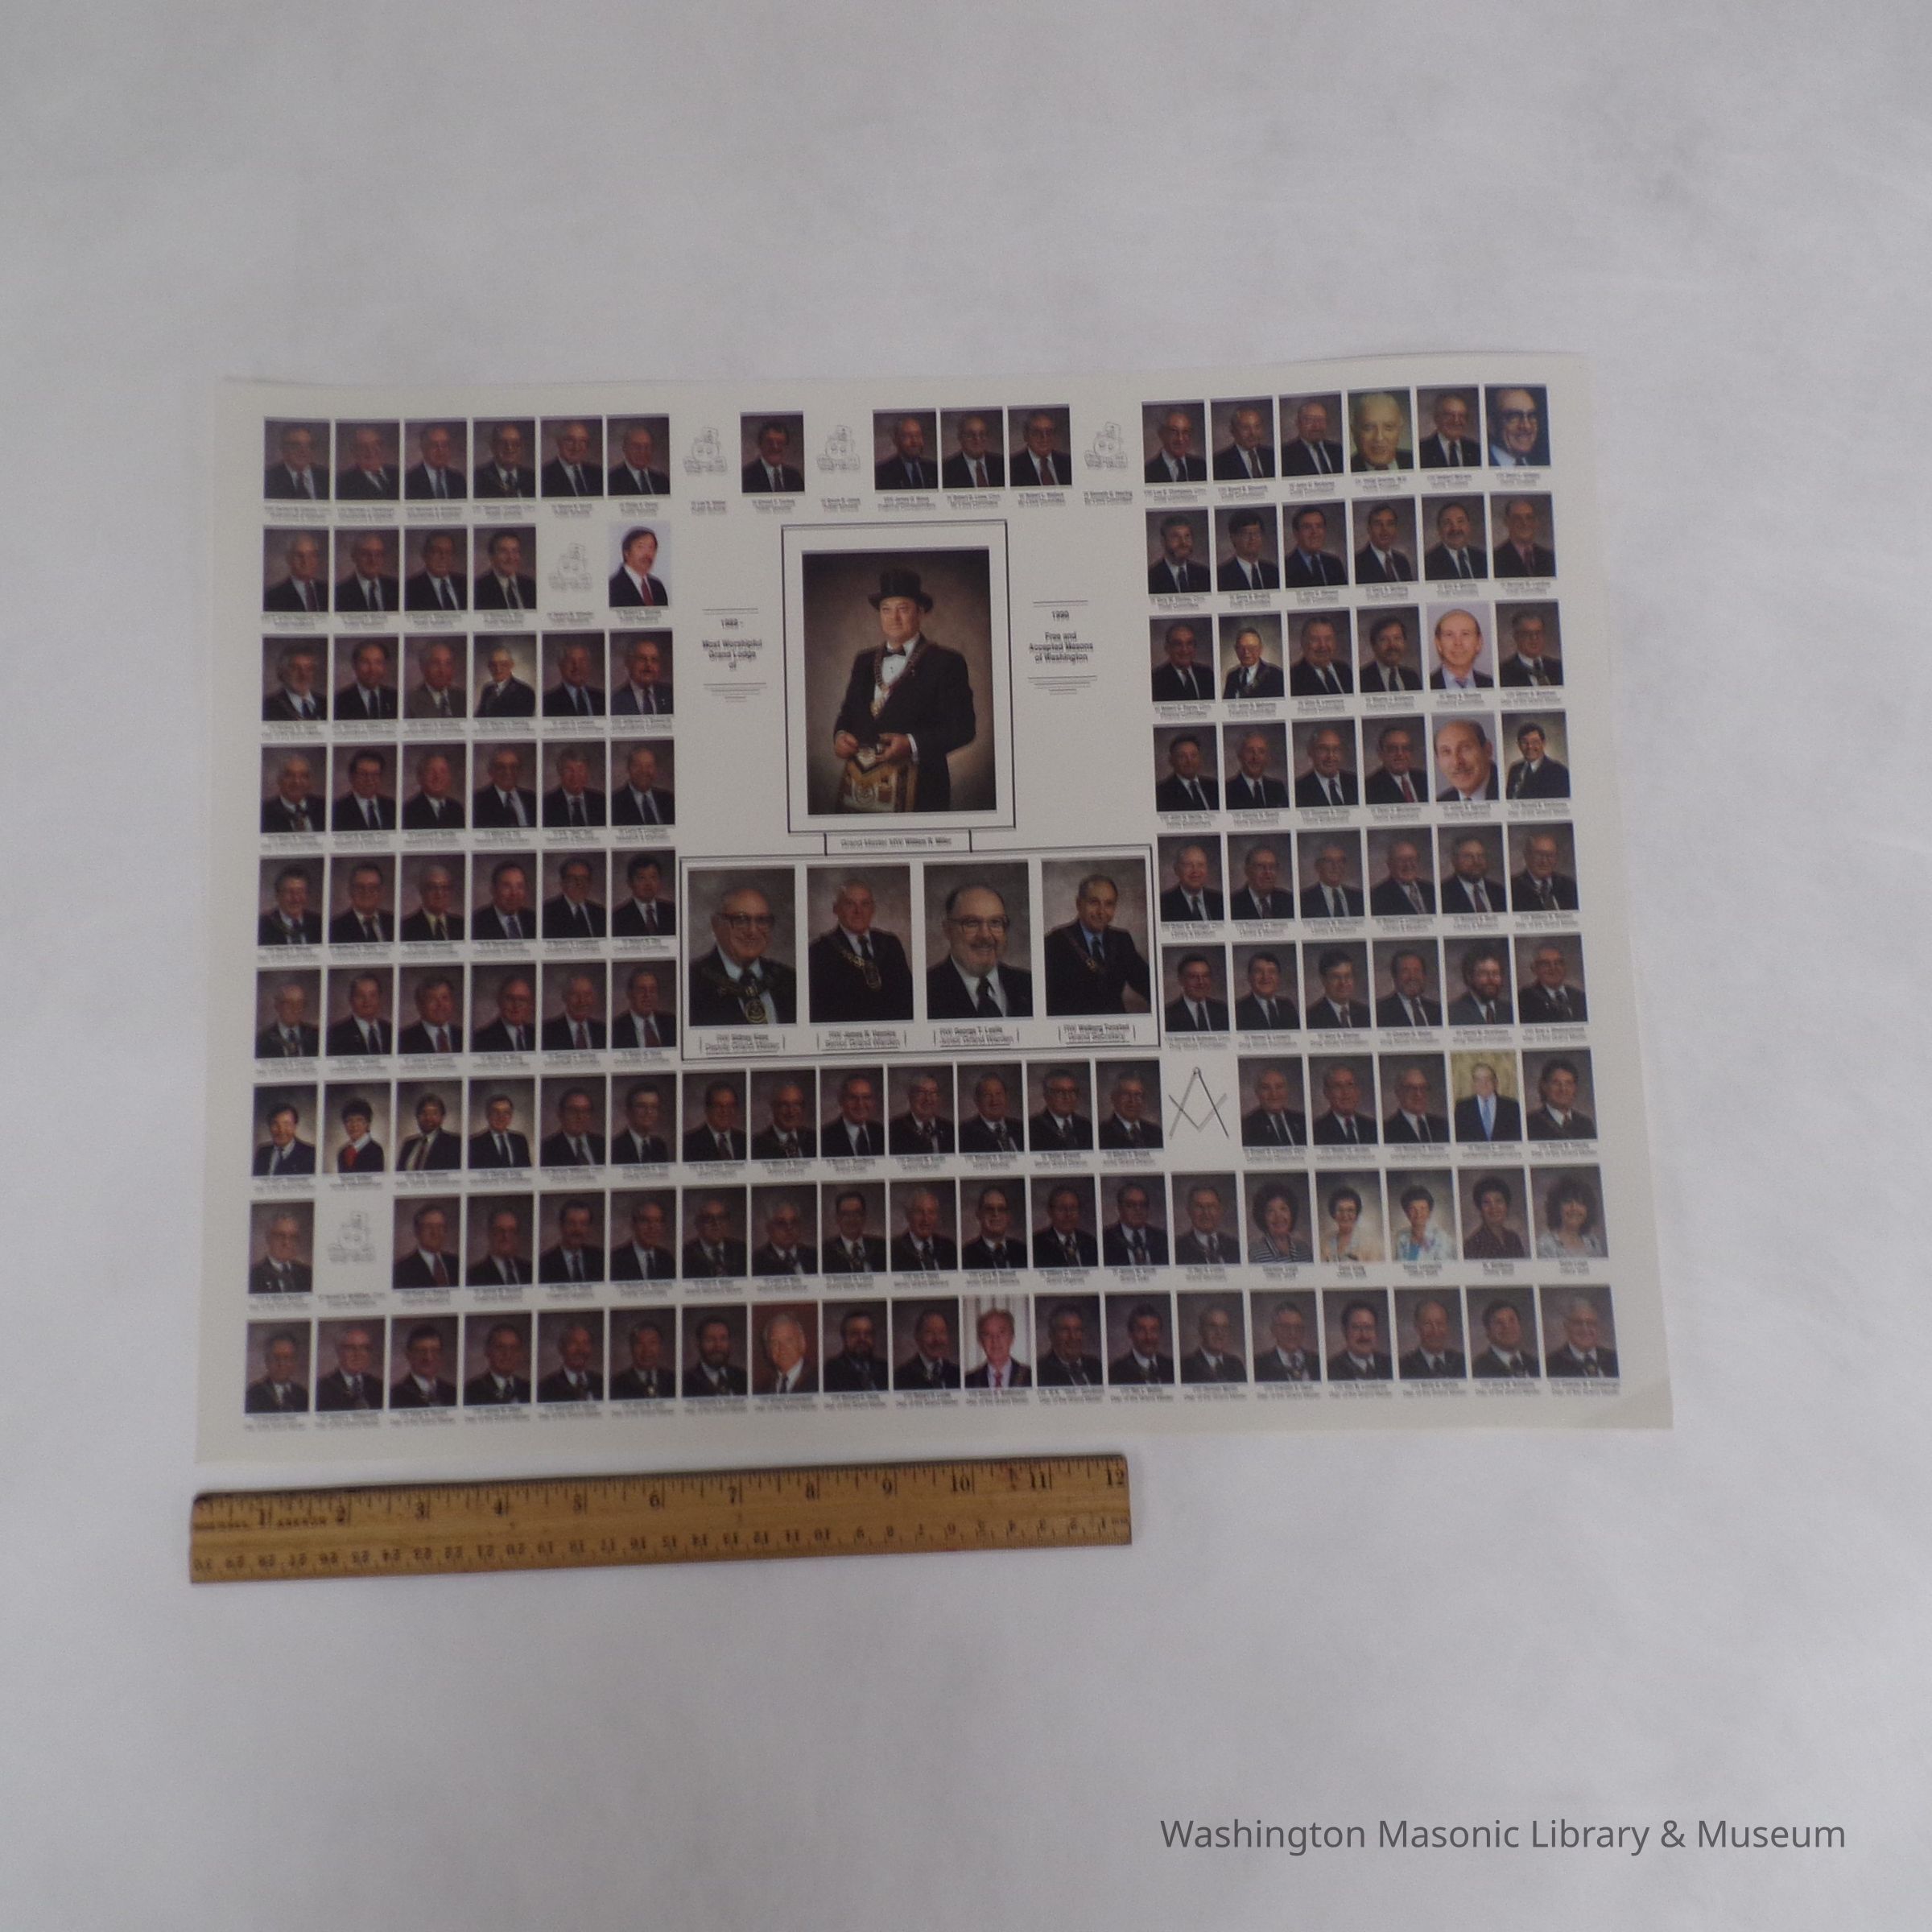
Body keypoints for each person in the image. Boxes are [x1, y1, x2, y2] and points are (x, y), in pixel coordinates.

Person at [831, 568, 976, 812]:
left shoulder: (946, 662)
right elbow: (848, 713)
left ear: (920, 612)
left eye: (903, 609)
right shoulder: (863, 660)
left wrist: (911, 744)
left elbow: (963, 729)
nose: (894, 618)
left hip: (921, 791)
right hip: (860, 789)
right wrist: (840, 735)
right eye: (886, 609)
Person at [807, 877, 915, 1023]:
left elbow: (908, 998)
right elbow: (819, 1010)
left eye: (865, 904)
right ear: (836, 909)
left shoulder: (890, 944)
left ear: (873, 909)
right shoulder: (819, 951)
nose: (858, 911)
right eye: (850, 904)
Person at [1043, 873, 1151, 1016]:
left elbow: (1147, 984)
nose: (1101, 912)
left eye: (1109, 904)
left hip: (1115, 1024)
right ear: (1079, 904)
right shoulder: (1056, 942)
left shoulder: (1122, 940)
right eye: (1094, 902)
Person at [688, 886, 796, 1026]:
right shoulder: (692, 983)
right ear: (716, 924)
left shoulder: (789, 981)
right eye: (741, 920)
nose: (752, 931)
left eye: (762, 920)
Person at [927, 882, 1034, 1018]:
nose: (985, 935)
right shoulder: (926, 990)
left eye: (995, 923)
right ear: (948, 930)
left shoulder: (1029, 985)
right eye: (972, 923)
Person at [1546, 1298, 1620, 1378]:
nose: (1585, 1329)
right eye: (1578, 1323)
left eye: (1590, 1323)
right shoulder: (1550, 1365)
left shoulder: (1615, 1360)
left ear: (1598, 1327)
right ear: (1567, 1327)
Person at [1100, 1181, 1168, 1265]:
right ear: (1119, 1209)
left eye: (1143, 1205)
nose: (1138, 1210)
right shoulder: (1106, 1239)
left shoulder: (1161, 1238)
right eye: (1131, 1205)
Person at [316, 1325, 382, 1410]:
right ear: (339, 1351)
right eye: (351, 1348)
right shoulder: (322, 1389)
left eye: (364, 1348)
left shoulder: (378, 1387)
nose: (358, 1354)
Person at [747, 1079, 815, 1162]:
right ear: (773, 1107)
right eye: (784, 1105)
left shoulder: (814, 1138)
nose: (791, 1112)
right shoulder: (756, 1145)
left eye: (796, 1104)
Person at [1174, 1302, 1245, 1383]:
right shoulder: (1185, 1366)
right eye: (1213, 1326)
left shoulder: (1236, 1365)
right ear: (1201, 1330)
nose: (1219, 1333)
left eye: (1224, 1327)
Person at [1519, 940, 1587, 1023]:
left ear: (1565, 967)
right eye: (1545, 964)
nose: (1553, 968)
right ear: (1534, 969)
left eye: (1558, 963)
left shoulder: (1580, 997)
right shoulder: (1524, 1000)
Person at [822, 1308, 890, 1392]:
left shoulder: (884, 1368)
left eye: (868, 1333)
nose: (862, 1339)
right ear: (844, 1338)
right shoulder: (832, 1370)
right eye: (855, 1333)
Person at [1528, 1057, 1596, 1139]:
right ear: (1544, 1086)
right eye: (1556, 1083)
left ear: (1575, 1088)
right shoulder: (1530, 1123)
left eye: (1568, 1083)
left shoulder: (1586, 1124)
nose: (1563, 1089)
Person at [464, 1323, 532, 1406]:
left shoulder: (528, 1389)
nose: (508, 1354)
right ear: (488, 1351)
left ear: (520, 1354)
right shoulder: (471, 1391)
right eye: (500, 1347)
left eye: (514, 1348)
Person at [392, 1202, 457, 1288]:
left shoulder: (456, 1263)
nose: (435, 1233)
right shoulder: (401, 1270)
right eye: (428, 1226)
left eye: (440, 1227)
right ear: (417, 1231)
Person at [324, 974, 392, 1056]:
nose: (367, 1001)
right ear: (351, 1000)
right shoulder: (335, 1034)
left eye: (373, 995)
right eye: (361, 995)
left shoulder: (390, 1030)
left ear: (380, 998)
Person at [539, 1200, 605, 1285]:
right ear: (561, 1226)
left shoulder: (600, 1259)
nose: (577, 1229)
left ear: (589, 1228)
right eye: (571, 1223)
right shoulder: (544, 1263)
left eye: (583, 1224)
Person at [1454, 1062, 1521, 1144]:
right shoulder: (1462, 1108)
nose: (1483, 1084)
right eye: (1478, 1080)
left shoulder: (1512, 1107)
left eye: (1487, 1079)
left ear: (1495, 1082)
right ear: (1473, 1084)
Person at [1027, 1067, 1093, 1151]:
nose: (1067, 1097)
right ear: (1046, 1096)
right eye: (1060, 1092)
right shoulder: (1033, 1128)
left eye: (1072, 1091)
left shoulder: (1086, 1126)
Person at [957, 1071, 1024, 1154]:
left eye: (998, 1094)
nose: (994, 1101)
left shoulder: (1020, 1127)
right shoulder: (965, 1132)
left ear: (1006, 1097)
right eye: (987, 1095)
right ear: (977, 1101)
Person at [537, 1320, 605, 1402]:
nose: (581, 1349)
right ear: (561, 1348)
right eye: (574, 1343)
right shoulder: (545, 1388)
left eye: (586, 1343)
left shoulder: (601, 1383)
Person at [1538, 1175, 1605, 1258]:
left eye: (1580, 1203)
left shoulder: (1593, 1243)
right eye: (1568, 1202)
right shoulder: (1545, 1244)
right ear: (1557, 1207)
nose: (1574, 1208)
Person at [1282, 505, 1347, 588]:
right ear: (1296, 533)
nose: (1315, 533)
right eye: (1307, 527)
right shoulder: (1286, 567)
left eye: (1319, 526)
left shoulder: (1334, 563)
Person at [1038, 1302, 1104, 1385]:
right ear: (1052, 1335)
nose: (1073, 1337)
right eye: (1065, 1330)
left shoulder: (1096, 1366)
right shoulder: (1041, 1372)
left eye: (1077, 1330)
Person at [1428, 606, 1492, 692]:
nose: (1458, 643)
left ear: (1479, 643)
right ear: (1438, 644)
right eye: (1449, 635)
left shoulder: (1491, 684)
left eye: (1465, 634)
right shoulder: (1425, 685)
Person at [824, 1071, 886, 1158]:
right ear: (841, 1101)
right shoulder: (825, 1137)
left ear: (873, 1101)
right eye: (853, 1097)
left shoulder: (882, 1133)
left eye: (866, 1097)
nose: (860, 1104)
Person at [683, 1080, 748, 1163]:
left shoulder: (745, 1140)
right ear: (707, 1109)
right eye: (718, 1105)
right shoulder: (688, 1143)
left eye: (730, 1105)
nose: (725, 1111)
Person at [1435, 718, 1499, 803]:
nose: (1456, 762)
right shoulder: (1441, 801)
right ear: (1438, 760)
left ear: (1487, 750)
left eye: (1465, 748)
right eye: (1446, 752)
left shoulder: (1510, 790)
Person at [681, 1199, 749, 1280]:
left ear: (728, 1223)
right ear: (698, 1224)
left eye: (721, 1218)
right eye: (708, 1218)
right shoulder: (685, 1254)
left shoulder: (741, 1249)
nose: (716, 1224)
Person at [889, 1072, 955, 1155]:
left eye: (933, 1093)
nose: (928, 1099)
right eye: (921, 1092)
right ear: (910, 1096)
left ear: (938, 1098)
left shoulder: (950, 1129)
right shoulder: (894, 1129)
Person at [1513, 832, 1579, 912]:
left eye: (1550, 855)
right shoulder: (1513, 888)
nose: (1544, 861)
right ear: (1527, 856)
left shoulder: (1569, 886)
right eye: (1538, 855)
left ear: (1556, 858)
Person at [823, 1191, 888, 1274]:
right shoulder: (825, 1252)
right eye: (846, 1214)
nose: (852, 1219)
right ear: (837, 1218)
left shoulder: (881, 1247)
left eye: (857, 1213)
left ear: (864, 1217)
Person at [609, 1198, 675, 1280]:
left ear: (662, 1226)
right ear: (633, 1225)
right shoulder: (615, 1259)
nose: (652, 1227)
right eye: (645, 1221)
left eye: (657, 1221)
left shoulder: (667, 1259)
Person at [682, 1315, 749, 1397]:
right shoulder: (685, 1383)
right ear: (698, 1344)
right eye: (710, 1340)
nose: (718, 1345)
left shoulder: (743, 1377)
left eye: (723, 1339)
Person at [890, 1190, 956, 1272]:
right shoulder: (894, 1251)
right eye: (919, 1212)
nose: (926, 1219)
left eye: (931, 1212)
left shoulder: (949, 1247)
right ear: (908, 1215)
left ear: (937, 1216)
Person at [543, 857, 607, 940]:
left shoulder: (600, 913)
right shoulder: (547, 912)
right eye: (573, 879)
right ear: (562, 883)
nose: (579, 883)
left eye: (584, 879)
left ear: (590, 883)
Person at [964, 1307, 1030, 1389]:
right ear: (981, 1341)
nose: (995, 1340)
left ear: (1012, 1338)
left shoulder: (1031, 1377)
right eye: (988, 1334)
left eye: (1001, 1333)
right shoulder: (968, 1382)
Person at [961, 1185, 1024, 1271]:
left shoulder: (1022, 1251)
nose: (996, 1214)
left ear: (1008, 1216)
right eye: (989, 1209)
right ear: (979, 1214)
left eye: (1001, 1209)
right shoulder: (966, 1255)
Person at [539, 1085, 605, 1166]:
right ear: (561, 1114)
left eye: (585, 1111)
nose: (580, 1116)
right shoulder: (547, 1149)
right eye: (573, 1110)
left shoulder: (602, 1144)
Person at [1376, 947, 1443, 1027]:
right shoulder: (1379, 1011)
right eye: (1405, 971)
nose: (1412, 977)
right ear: (1395, 977)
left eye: (1417, 971)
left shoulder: (1438, 1010)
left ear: (1424, 976)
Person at [895, 1307, 961, 1389]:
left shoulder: (958, 1374)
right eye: (929, 1332)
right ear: (917, 1337)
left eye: (942, 1332)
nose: (937, 1339)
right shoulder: (901, 1377)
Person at [609, 1319, 675, 1400]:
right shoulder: (617, 1384)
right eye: (640, 1344)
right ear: (631, 1348)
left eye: (652, 1343)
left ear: (661, 1347)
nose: (647, 1350)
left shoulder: (673, 1380)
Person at [1034, 1186, 1099, 1269]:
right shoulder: (1037, 1245)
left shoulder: (1091, 1242)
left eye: (1073, 1209)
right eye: (1061, 1209)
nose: (1068, 1214)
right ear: (1050, 1212)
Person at [1399, 1298, 1466, 1379]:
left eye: (1440, 1324)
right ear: (1417, 1327)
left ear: (1447, 1327)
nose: (1435, 1331)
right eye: (1427, 1324)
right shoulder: (1404, 1366)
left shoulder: (1461, 1362)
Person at [328, 862, 394, 944]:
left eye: (373, 887)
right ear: (350, 891)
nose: (366, 892)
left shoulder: (393, 922)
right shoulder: (335, 928)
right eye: (359, 887)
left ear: (381, 891)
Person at [473, 749, 537, 832]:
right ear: (491, 772)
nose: (508, 772)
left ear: (520, 772)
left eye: (513, 767)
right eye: (501, 767)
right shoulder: (478, 801)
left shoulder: (532, 799)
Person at [332, 749, 396, 832]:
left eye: (375, 774)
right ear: (352, 777)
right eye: (363, 774)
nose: (369, 780)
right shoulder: (337, 810)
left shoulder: (392, 806)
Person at [1174, 1183, 1238, 1265]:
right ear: (1189, 1211)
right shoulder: (1178, 1249)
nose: (1206, 1213)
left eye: (1211, 1206)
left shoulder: (1234, 1246)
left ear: (1220, 1210)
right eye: (1199, 1207)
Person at [1294, 725, 1358, 809]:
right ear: (1311, 752)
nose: (1331, 756)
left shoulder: (1356, 782)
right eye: (1323, 749)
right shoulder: (1298, 789)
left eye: (1336, 749)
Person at [612, 855, 675, 939]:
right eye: (641, 878)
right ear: (630, 883)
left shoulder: (672, 911)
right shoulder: (618, 917)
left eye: (653, 877)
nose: (648, 883)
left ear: (660, 881)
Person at [471, 862, 534, 947]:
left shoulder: (533, 919)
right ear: (493, 890)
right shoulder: (476, 923)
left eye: (520, 886)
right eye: (507, 886)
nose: (514, 893)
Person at [264, 532, 329, 613]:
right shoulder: (272, 597)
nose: (306, 561)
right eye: (299, 555)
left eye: (311, 555)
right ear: (289, 559)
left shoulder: (329, 591)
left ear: (317, 558)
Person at [543, 746, 606, 829]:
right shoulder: (547, 804)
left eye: (580, 770)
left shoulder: (601, 800)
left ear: (587, 772)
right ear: (560, 772)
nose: (575, 776)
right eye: (569, 770)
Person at [1150, 620, 1215, 702]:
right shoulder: (1156, 680)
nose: (1185, 650)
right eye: (1178, 644)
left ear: (1195, 647)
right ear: (1167, 648)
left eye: (1189, 643)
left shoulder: (1207, 674)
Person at [1111, 1302, 1175, 1384]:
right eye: (1141, 1330)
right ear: (1131, 1334)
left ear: (1160, 1333)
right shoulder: (1116, 1372)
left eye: (1154, 1330)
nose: (1148, 1337)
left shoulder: (1172, 1367)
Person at [612, 967, 674, 1051]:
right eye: (641, 990)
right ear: (630, 994)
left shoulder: (671, 1022)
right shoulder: (616, 1029)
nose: (648, 995)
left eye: (652, 990)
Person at [245, 1331, 309, 1414]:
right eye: (276, 1358)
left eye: (287, 1358)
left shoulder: (303, 1394)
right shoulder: (253, 1395)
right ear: (267, 1361)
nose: (281, 1364)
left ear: (295, 1361)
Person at [1449, 945, 1513, 1026]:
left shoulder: (1510, 1010)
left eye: (1495, 973)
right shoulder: (1453, 1013)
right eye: (1484, 974)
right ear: (1469, 977)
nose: (1491, 979)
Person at [1370, 840, 1436, 919]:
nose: (1408, 865)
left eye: (1412, 859)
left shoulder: (1432, 889)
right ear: (1390, 864)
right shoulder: (1377, 896)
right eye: (1401, 860)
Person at [1226, 730, 1291, 810]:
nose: (1256, 758)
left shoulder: (1277, 788)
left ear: (1267, 757)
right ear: (1240, 755)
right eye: (1250, 751)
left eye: (1261, 752)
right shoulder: (1228, 790)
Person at [465, 1206, 530, 1286]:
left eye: (512, 1231)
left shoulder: (530, 1270)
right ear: (490, 1234)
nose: (506, 1236)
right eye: (500, 1230)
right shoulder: (473, 1275)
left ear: (517, 1235)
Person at [1097, 1070, 1163, 1149]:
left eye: (1138, 1095)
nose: (1132, 1101)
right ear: (1114, 1098)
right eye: (1126, 1094)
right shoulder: (1102, 1134)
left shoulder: (1156, 1133)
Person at [334, 531, 398, 612]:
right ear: (354, 556)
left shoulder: (396, 588)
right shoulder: (339, 593)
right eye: (366, 554)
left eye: (378, 554)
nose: (373, 560)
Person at [1384, 1064, 1449, 1144]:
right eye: (1411, 1088)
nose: (1419, 1094)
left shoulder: (1443, 1125)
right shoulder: (1387, 1130)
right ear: (1398, 1092)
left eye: (1423, 1088)